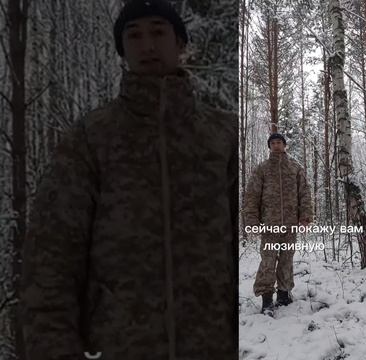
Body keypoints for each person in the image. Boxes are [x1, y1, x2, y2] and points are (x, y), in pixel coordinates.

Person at [19, 0, 238, 359]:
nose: (147, 45)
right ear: (122, 50)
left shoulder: (222, 134)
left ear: (180, 43)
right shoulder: (92, 137)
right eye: (133, 35)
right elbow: (52, 258)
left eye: (157, 32)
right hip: (123, 346)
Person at [243, 133, 313, 315]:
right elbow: (252, 196)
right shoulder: (262, 169)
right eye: (273, 143)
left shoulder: (295, 168)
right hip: (269, 225)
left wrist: (305, 216)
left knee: (286, 260)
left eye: (279, 142)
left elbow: (304, 193)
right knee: (268, 261)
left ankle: (283, 294)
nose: (276, 145)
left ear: (284, 145)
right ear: (269, 146)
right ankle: (267, 300)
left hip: (290, 224)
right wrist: (251, 220)